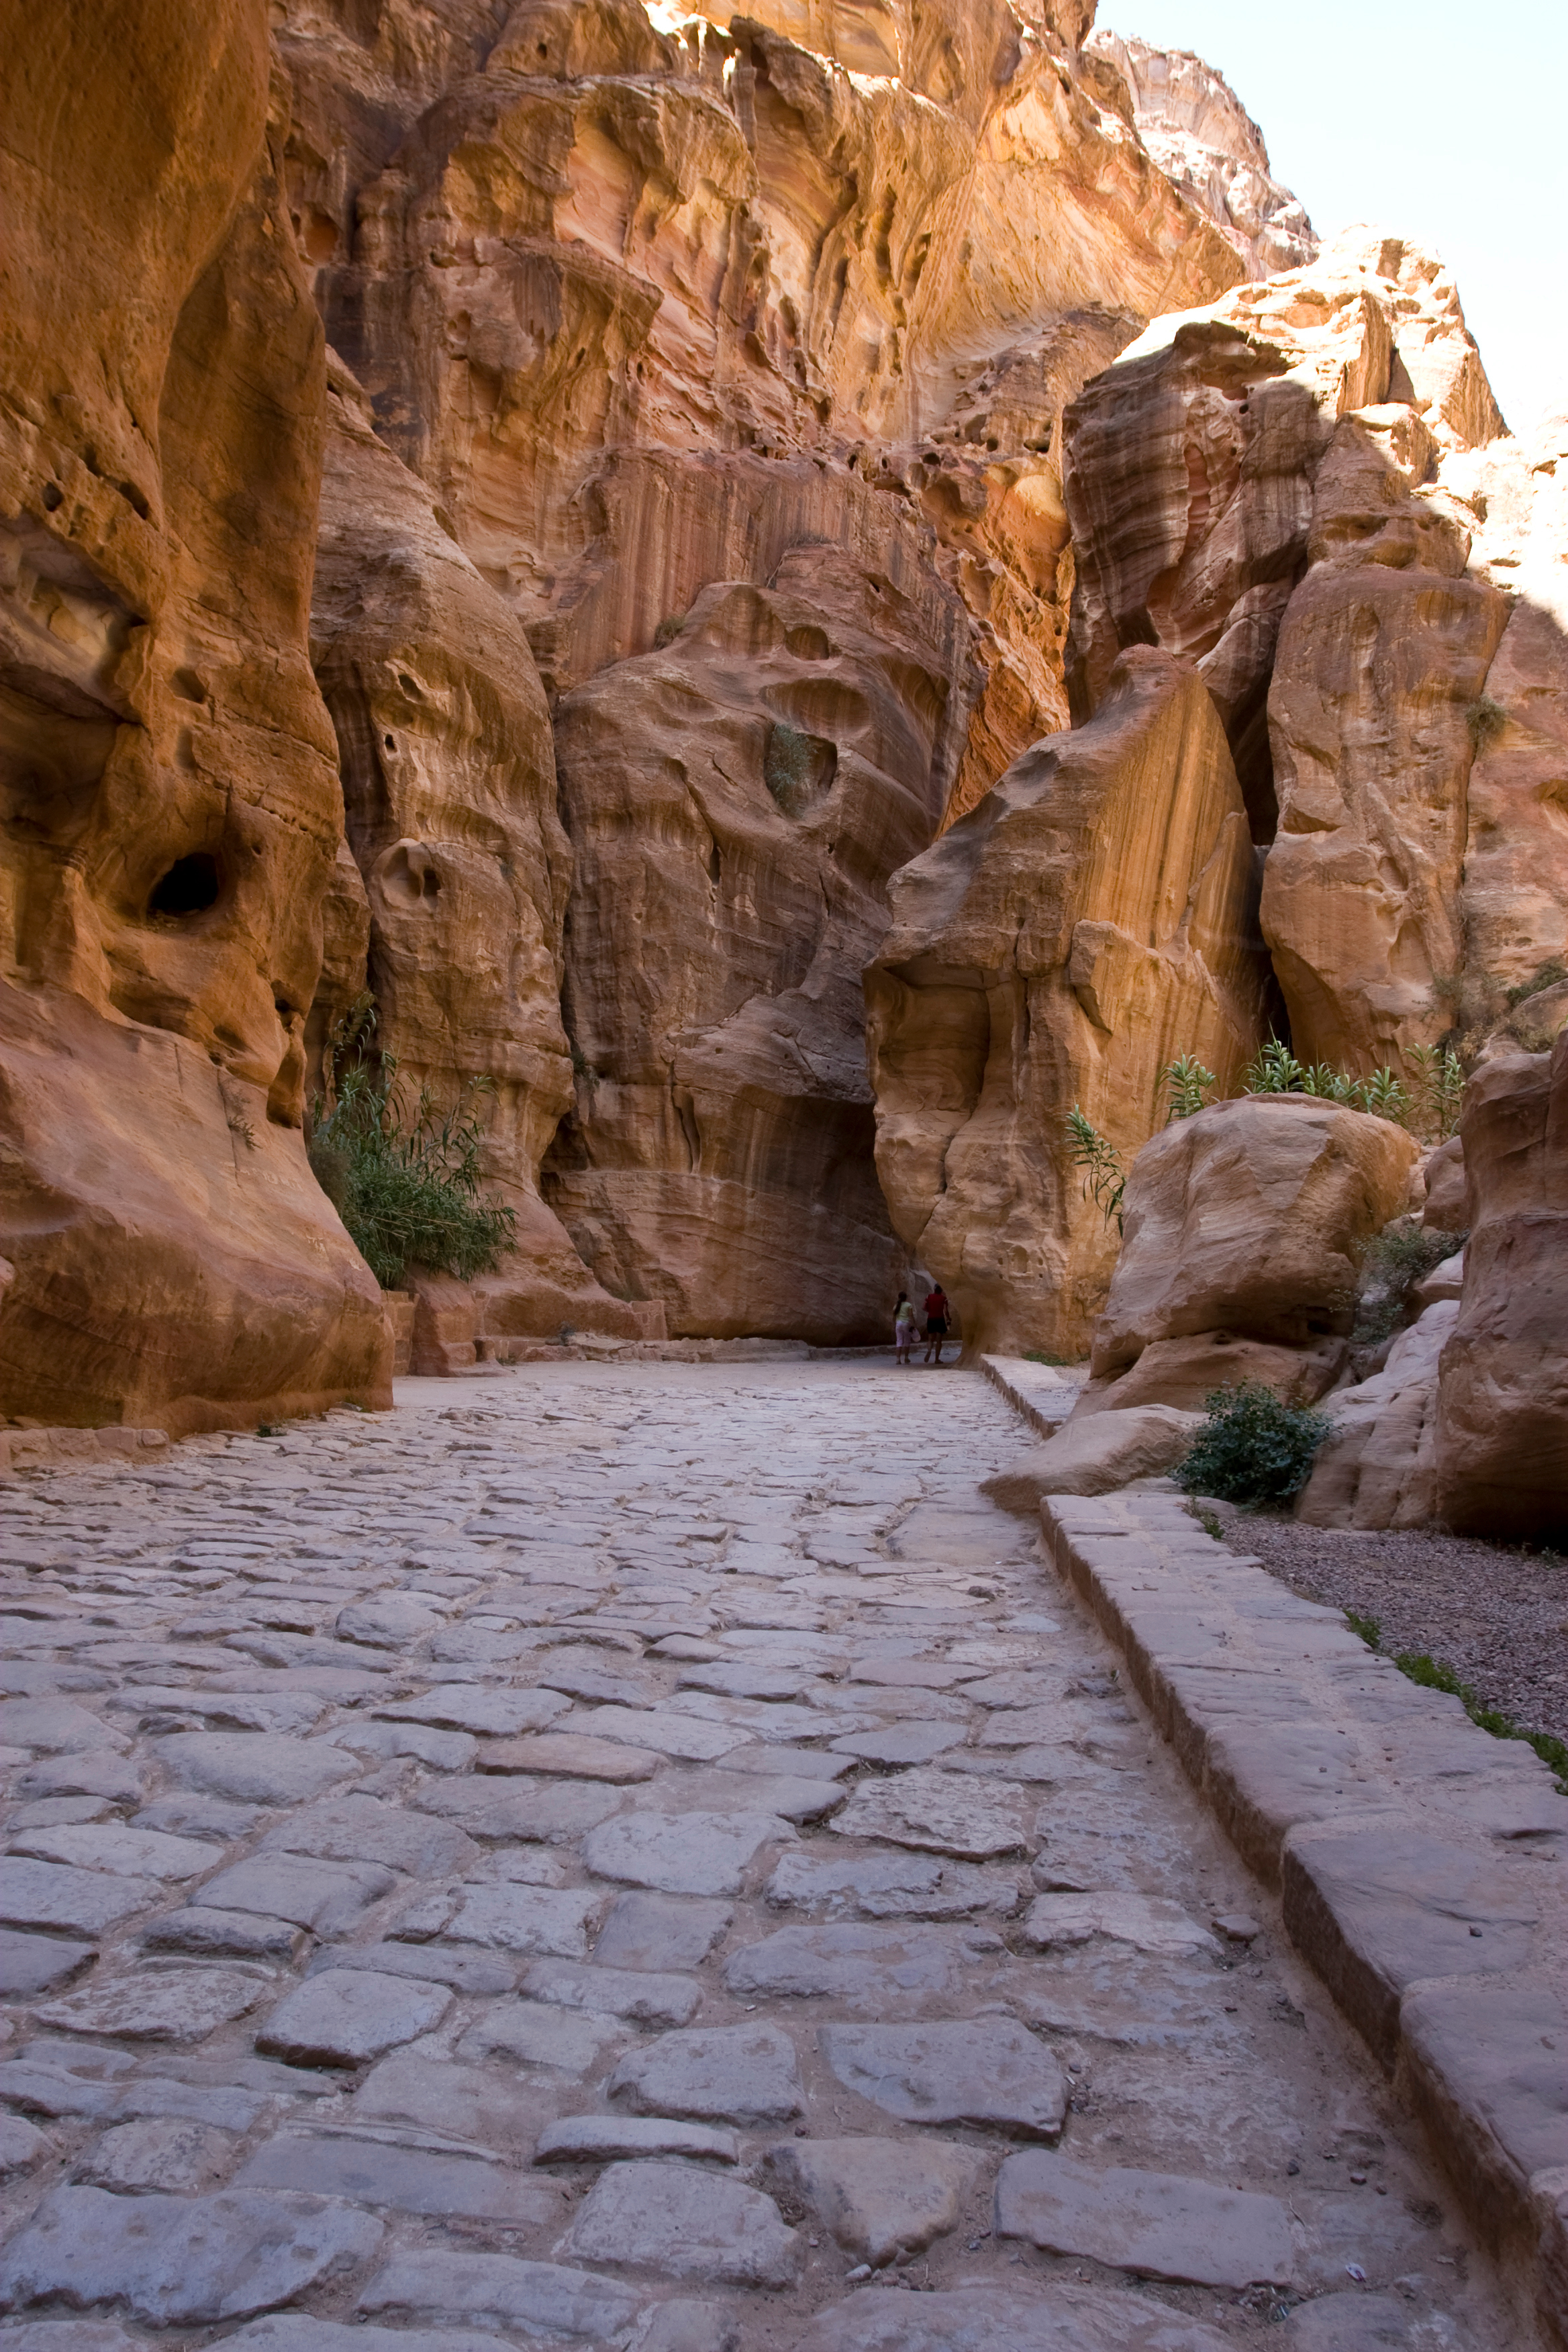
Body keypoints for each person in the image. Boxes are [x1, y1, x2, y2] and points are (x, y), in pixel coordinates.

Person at [922, 1283, 950, 1365]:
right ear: (941, 1290)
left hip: (931, 1319)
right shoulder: (944, 1298)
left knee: (930, 1339)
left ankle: (929, 1350)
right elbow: (945, 1311)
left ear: (934, 1289)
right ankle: (937, 1359)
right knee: (939, 1341)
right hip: (940, 1319)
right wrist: (948, 1318)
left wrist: (930, 1311)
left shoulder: (929, 1297)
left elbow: (923, 1307)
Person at [893, 1292, 918, 1365]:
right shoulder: (908, 1305)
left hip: (898, 1323)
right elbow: (911, 1315)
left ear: (899, 1297)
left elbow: (894, 1316)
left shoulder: (896, 1305)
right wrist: (913, 1324)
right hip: (906, 1324)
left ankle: (898, 1360)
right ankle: (906, 1358)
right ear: (906, 1298)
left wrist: (894, 1324)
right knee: (907, 1341)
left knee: (899, 1341)